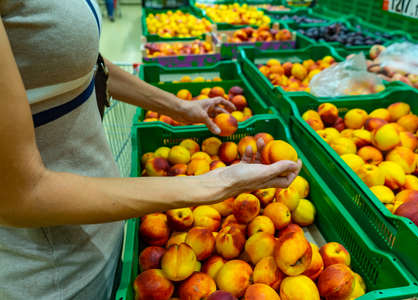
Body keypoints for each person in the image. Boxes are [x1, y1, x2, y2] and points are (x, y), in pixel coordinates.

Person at [0, 1, 301, 299]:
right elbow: (21, 194)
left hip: (106, 222)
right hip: (55, 270)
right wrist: (215, 183)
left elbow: (86, 62)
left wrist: (180, 107)